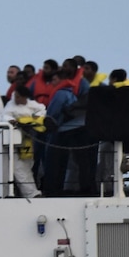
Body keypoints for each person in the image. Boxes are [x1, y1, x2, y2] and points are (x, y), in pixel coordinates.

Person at [42, 65, 96, 197]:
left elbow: (52, 113)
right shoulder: (72, 93)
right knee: (74, 162)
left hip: (61, 131)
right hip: (76, 130)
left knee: (53, 162)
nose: (52, 83)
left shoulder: (61, 93)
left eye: (54, 80)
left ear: (60, 80)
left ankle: (52, 189)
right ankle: (84, 187)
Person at [6, 83, 46, 198]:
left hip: (27, 138)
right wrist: (12, 120)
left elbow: (42, 110)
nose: (16, 98)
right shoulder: (10, 105)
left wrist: (33, 119)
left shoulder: (33, 105)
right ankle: (30, 193)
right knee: (19, 167)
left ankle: (30, 191)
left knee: (28, 164)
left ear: (24, 97)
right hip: (14, 139)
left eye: (18, 96)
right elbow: (5, 116)